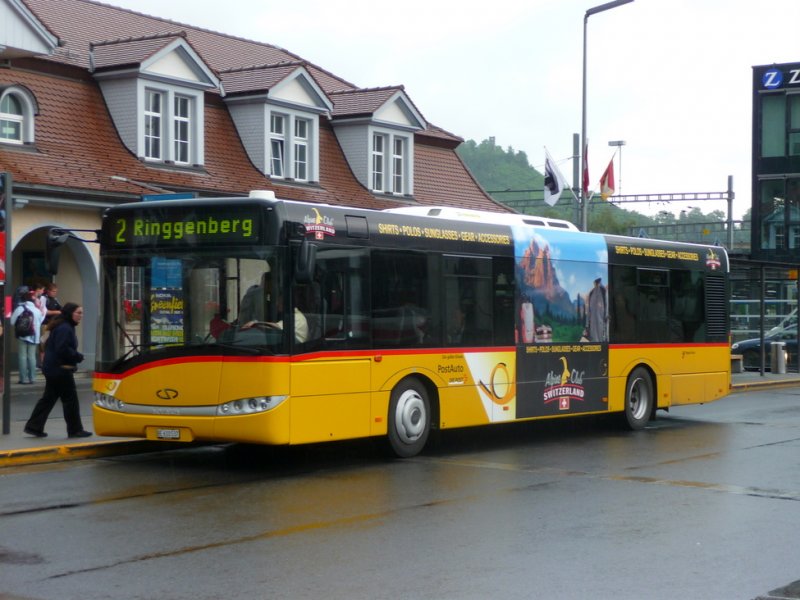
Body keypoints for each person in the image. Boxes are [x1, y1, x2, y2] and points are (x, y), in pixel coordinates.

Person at [24, 303, 91, 438]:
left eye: (82, 313)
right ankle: (75, 430)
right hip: (60, 369)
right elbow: (62, 349)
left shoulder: (62, 326)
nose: (81, 316)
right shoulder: (65, 328)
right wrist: (77, 356)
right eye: (78, 313)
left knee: (49, 398)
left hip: (53, 368)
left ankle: (34, 426)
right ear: (70, 313)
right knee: (70, 400)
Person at [10, 286, 43, 384]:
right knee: (32, 357)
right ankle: (32, 378)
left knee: (22, 357)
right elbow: (40, 322)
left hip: (22, 335)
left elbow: (12, 322)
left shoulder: (20, 308)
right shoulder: (37, 311)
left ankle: (23, 379)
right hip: (34, 336)